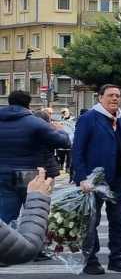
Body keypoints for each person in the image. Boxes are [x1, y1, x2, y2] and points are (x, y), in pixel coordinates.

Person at [71, 84, 121, 275]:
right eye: (110, 95)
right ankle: (91, 260)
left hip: (119, 179)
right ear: (100, 97)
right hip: (94, 180)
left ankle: (116, 258)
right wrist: (82, 177)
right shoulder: (88, 119)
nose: (115, 99)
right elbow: (77, 150)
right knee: (91, 221)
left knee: (118, 220)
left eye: (118, 95)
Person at [0, 92, 70, 241]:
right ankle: (36, 248)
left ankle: (4, 251)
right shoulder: (34, 122)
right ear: (28, 103)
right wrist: (61, 130)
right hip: (29, 173)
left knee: (5, 213)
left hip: (3, 173)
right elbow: (63, 142)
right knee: (34, 211)